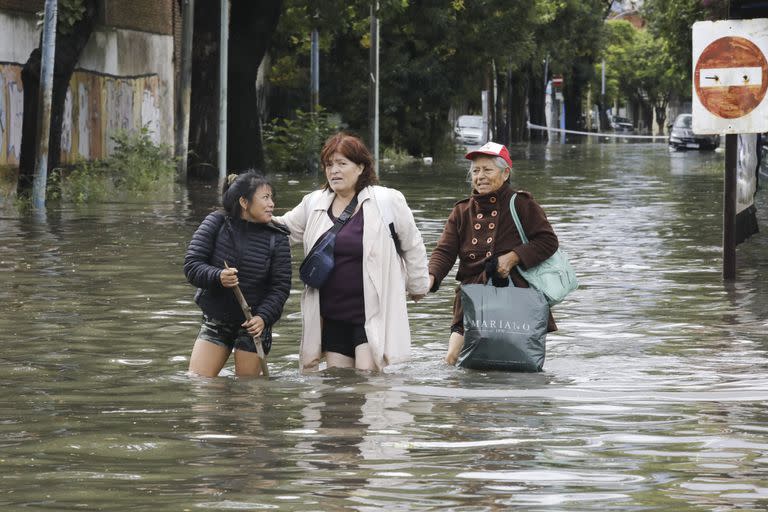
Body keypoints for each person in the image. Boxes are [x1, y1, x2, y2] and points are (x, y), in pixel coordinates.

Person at [274, 132, 429, 372]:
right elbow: (281, 231)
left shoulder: (387, 200)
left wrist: (418, 286)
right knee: (340, 390)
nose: (334, 170)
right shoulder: (314, 202)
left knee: (368, 379)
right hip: (333, 315)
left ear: (361, 167)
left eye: (341, 164)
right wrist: (246, 214)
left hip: (372, 314)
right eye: (329, 164)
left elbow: (412, 245)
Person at [428, 142, 559, 364]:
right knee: (452, 360)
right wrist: (430, 278)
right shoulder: (461, 211)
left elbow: (548, 241)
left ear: (505, 173)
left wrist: (513, 257)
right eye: (475, 171)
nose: (480, 176)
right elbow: (445, 251)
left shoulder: (522, 204)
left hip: (516, 300)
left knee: (516, 366)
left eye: (487, 170)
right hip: (472, 300)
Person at [184, 171, 291, 377]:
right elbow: (192, 265)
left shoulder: (277, 238)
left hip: (254, 327)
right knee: (199, 384)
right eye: (265, 198)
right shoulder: (216, 222)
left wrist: (263, 318)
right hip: (217, 319)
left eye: (271, 198)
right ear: (244, 201)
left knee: (248, 395)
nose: (272, 204)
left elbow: (280, 288)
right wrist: (218, 276)